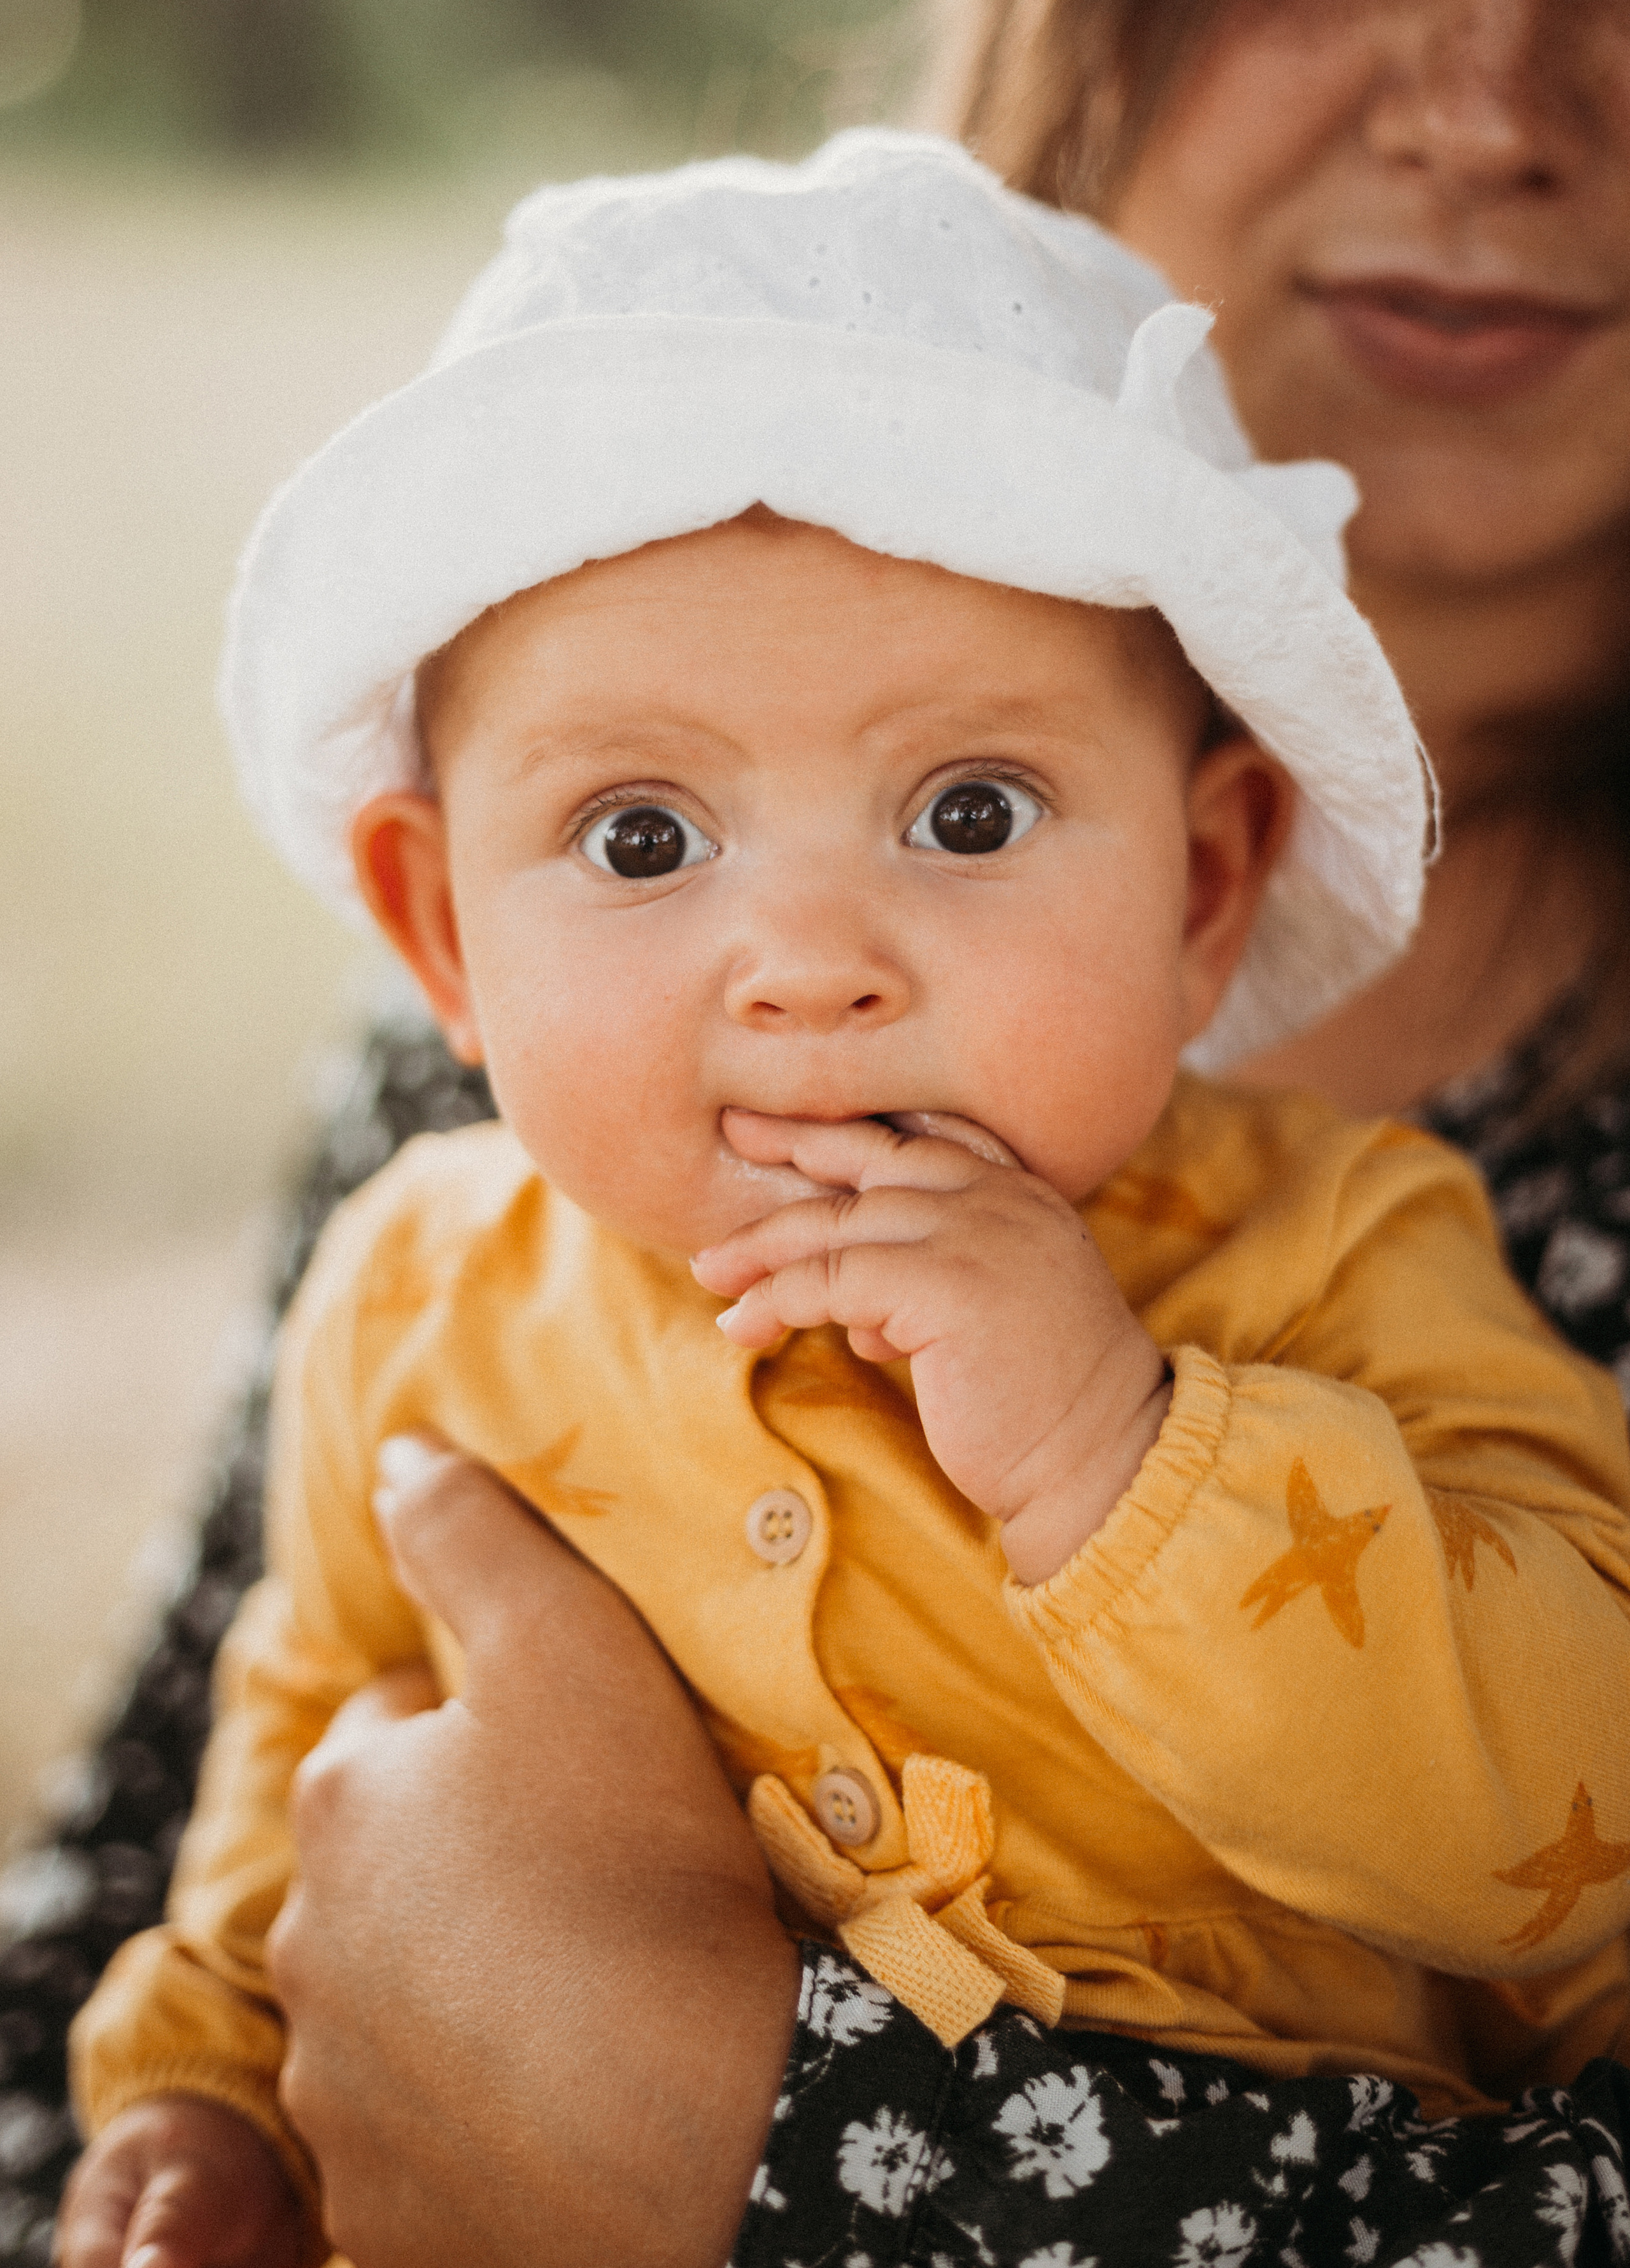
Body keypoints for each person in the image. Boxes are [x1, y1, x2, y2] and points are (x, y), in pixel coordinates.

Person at [51, 124, 1630, 2268]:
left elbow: (1588, 1813)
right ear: (437, 930)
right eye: (638, 838)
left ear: (1202, 878)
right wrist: (207, 2084)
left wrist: (1115, 1448)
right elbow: (311, 1740)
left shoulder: (1346, 1251)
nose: (810, 961)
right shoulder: (422, 1283)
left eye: (968, 810)